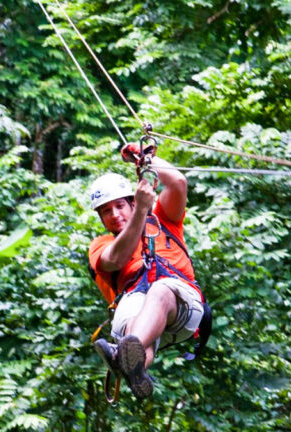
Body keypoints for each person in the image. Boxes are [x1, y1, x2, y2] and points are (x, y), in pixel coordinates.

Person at [87, 145, 205, 400]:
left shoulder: (163, 220)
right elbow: (115, 259)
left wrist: (146, 160)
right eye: (106, 211)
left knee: (160, 292)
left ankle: (122, 355)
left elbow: (177, 183)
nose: (115, 215)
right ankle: (133, 365)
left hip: (181, 299)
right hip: (135, 304)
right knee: (135, 331)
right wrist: (140, 211)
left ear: (131, 201)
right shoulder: (101, 245)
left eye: (119, 206)